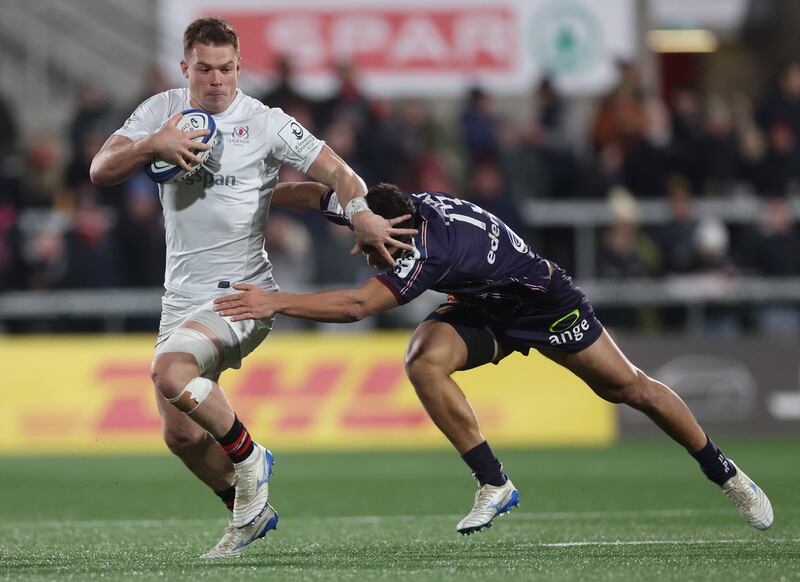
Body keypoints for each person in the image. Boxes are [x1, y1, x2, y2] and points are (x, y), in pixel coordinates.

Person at [214, 181, 774, 535]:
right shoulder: (381, 211)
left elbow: (360, 306)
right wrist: (252, 196)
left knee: (630, 389)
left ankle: (726, 474)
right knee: (422, 360)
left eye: (368, 245)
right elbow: (315, 194)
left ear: (397, 236)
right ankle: (494, 482)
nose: (362, 249)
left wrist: (274, 301)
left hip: (542, 304)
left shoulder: (425, 250)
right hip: (485, 303)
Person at [89, 17, 415, 559]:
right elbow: (101, 169)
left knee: (170, 372)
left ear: (239, 67)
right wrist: (154, 142)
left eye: (226, 69)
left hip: (241, 295)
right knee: (183, 437)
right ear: (184, 68)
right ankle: (247, 511)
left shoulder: (266, 123)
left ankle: (250, 458)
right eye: (204, 69)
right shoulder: (158, 111)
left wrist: (358, 212)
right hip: (181, 299)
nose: (216, 80)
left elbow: (340, 172)